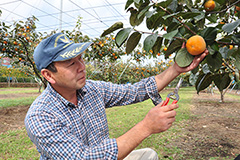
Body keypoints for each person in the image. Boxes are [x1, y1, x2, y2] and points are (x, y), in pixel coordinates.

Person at [25, 33, 208, 160]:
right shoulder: (41, 116)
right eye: (71, 63)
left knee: (148, 155)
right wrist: (146, 127)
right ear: (48, 75)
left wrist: (176, 68)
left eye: (81, 58)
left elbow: (136, 91)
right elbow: (82, 158)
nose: (82, 66)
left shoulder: (93, 90)